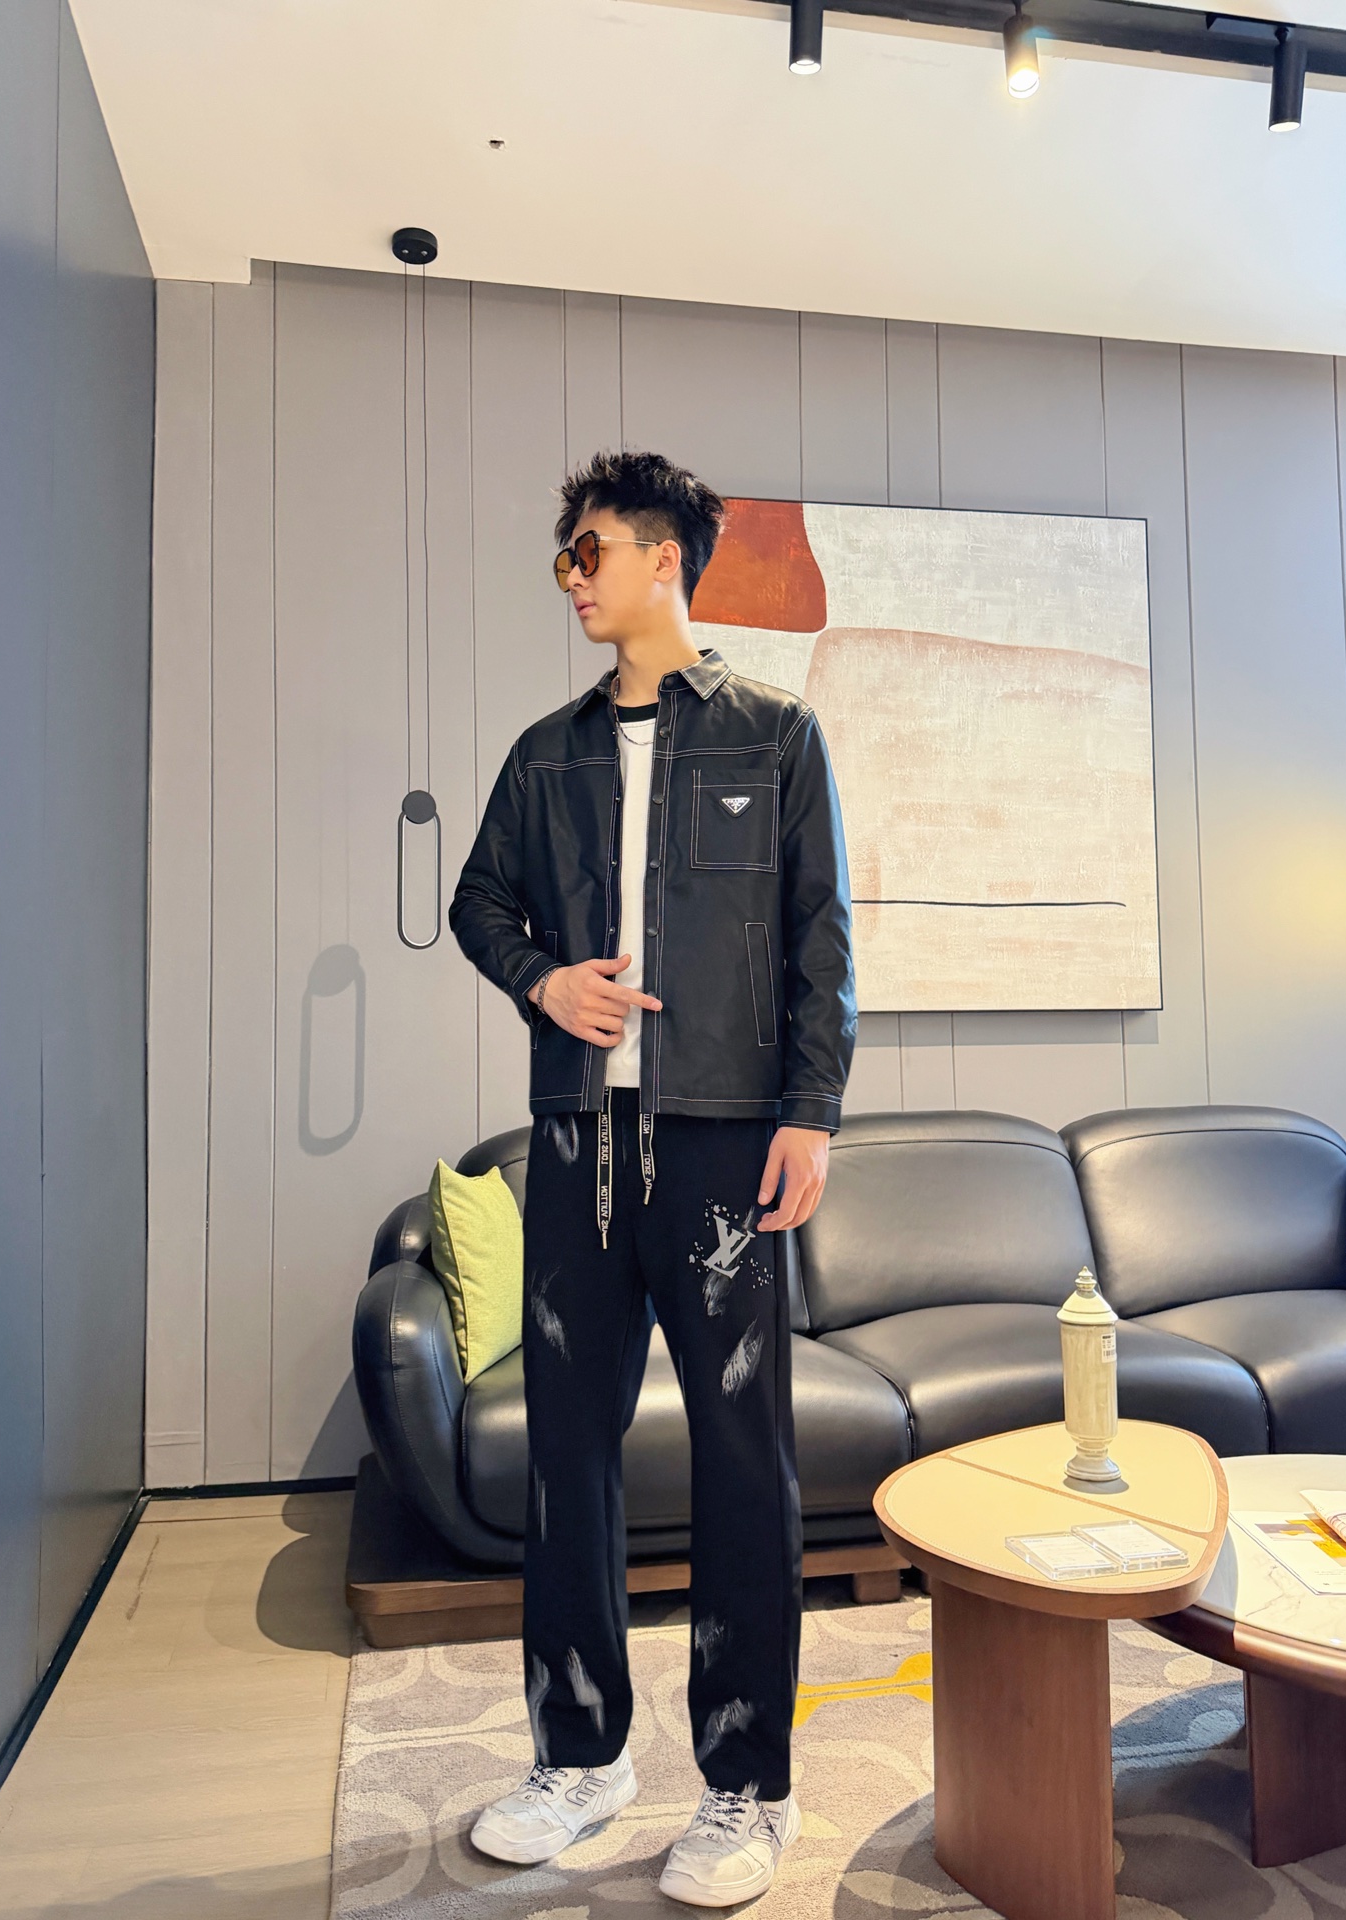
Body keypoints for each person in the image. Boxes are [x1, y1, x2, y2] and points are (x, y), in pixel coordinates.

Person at [448, 449, 855, 1908]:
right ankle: (581, 1756)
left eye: (589, 549)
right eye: (565, 554)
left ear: (664, 557)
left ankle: (748, 1786)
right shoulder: (544, 754)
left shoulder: (775, 735)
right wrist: (544, 981)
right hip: (575, 1144)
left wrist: (810, 1113)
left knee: (744, 1464)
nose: (569, 574)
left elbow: (821, 938)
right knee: (570, 1455)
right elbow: (477, 902)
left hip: (723, 1147)